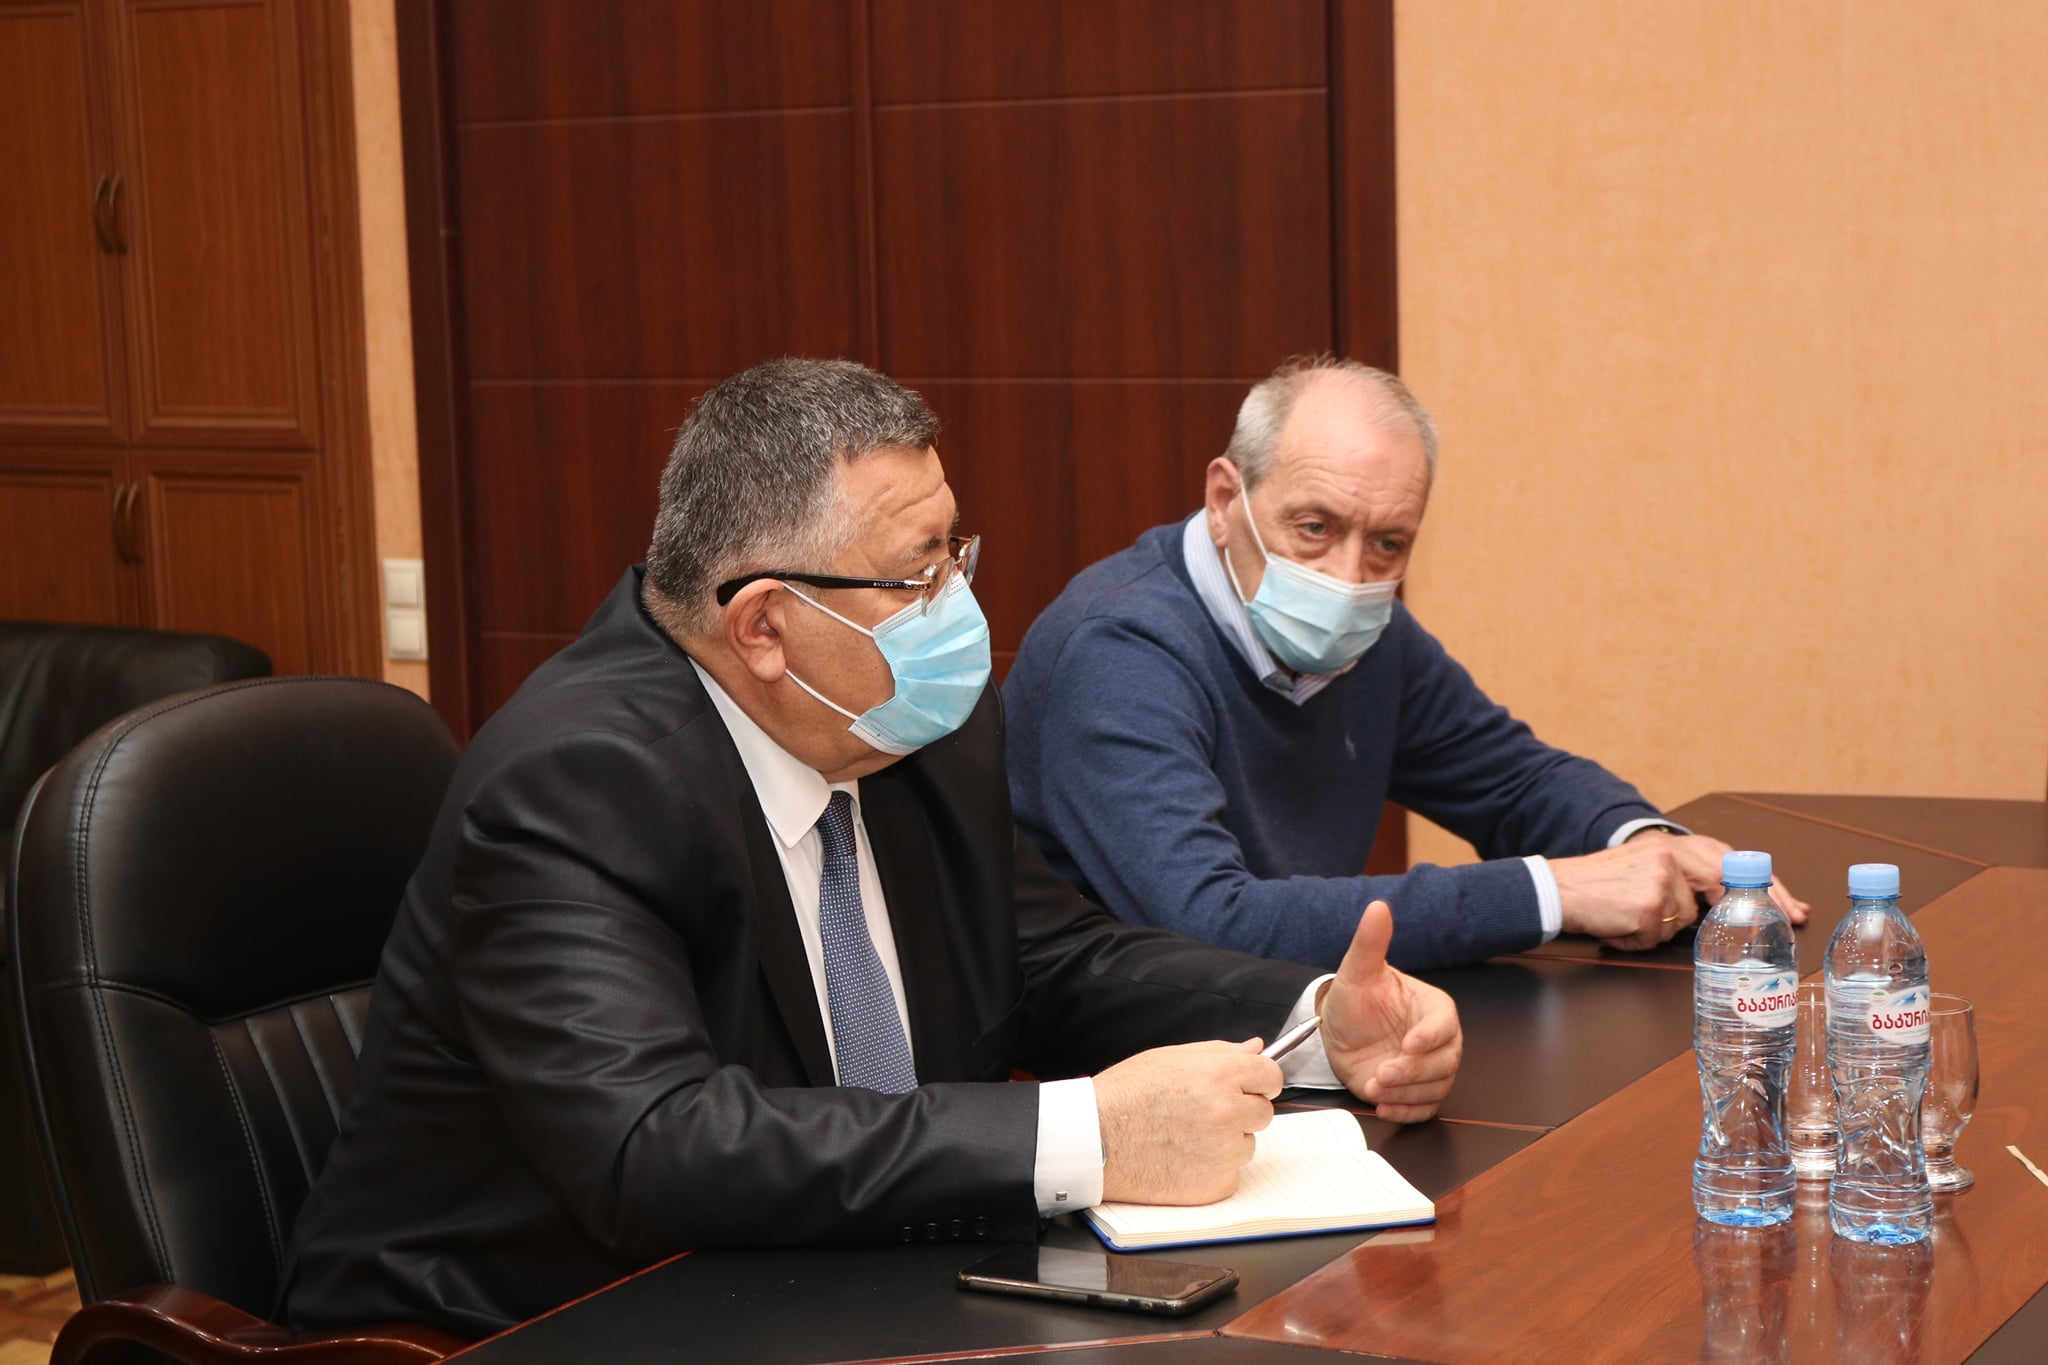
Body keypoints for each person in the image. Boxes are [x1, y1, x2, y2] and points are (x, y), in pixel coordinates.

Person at [284, 358, 1462, 1337]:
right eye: (917, 573)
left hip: (826, 1287)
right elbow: (656, 1146)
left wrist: (1312, 1022)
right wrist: (1085, 1136)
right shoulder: (579, 780)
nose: (959, 608)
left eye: (955, 554)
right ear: (763, 625)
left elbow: (1051, 960)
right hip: (520, 1325)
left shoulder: (909, 722)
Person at [1003, 357, 1806, 973]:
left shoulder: (1372, 633)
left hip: (1299, 1022)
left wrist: (1650, 846)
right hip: (1122, 1069)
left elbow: (1512, 779)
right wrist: (1556, 891)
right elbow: (1210, 922)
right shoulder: (1118, 648)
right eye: (1314, 527)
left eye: (1388, 543)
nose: (1349, 577)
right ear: (1224, 500)